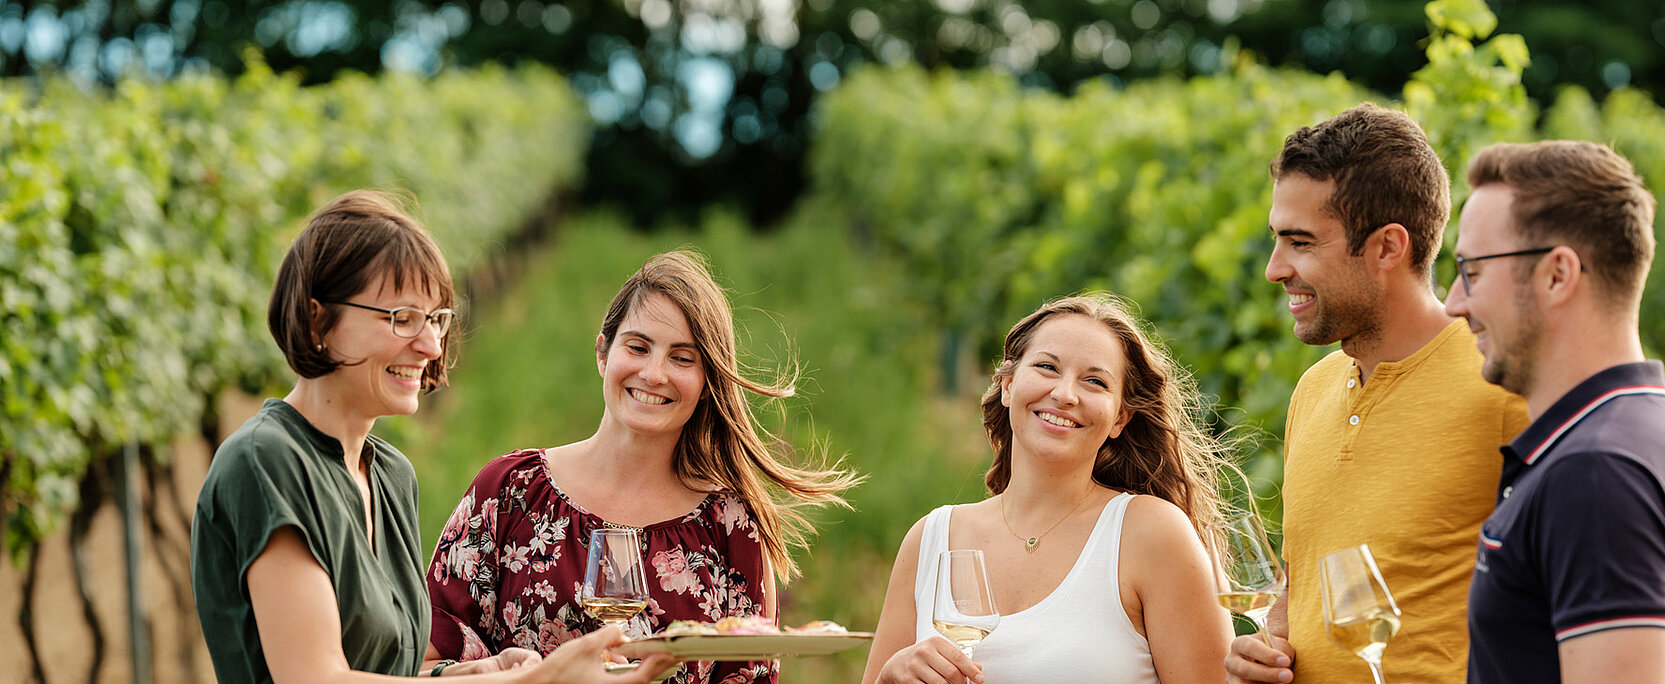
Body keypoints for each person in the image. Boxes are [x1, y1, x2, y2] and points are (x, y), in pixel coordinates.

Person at [190, 189, 678, 683]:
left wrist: (471, 671)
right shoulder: (267, 461)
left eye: (436, 320)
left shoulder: (389, 474)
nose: (428, 344)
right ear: (319, 318)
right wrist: (537, 680)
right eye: (401, 318)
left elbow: (387, 672)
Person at [425, 249, 862, 684]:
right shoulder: (510, 491)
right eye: (638, 347)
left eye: (682, 358)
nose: (654, 374)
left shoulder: (731, 524)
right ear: (603, 353)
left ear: (707, 381)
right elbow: (426, 654)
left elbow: (751, 676)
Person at [1225, 104, 1530, 684]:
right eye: (1277, 239)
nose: (1273, 268)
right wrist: (1265, 651)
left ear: (1388, 247)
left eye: (1301, 242)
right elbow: (1301, 584)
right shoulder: (1312, 391)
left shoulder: (1502, 387)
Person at [1444, 141, 1665, 683]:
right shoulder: (1636, 443)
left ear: (1557, 275)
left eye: (1471, 270)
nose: (1455, 301)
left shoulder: (1596, 476)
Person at [863, 294, 1238, 684]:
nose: (1064, 394)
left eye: (1095, 381)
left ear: (1119, 418)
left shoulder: (1153, 534)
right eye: (1047, 367)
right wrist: (889, 679)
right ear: (1007, 386)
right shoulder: (930, 539)